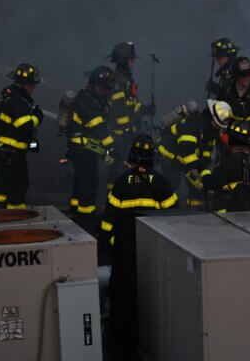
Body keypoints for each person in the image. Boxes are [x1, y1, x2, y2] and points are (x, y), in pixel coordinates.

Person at [100, 134, 177, 361]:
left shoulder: (121, 183)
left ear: (132, 156)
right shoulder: (162, 183)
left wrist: (110, 249)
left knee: (122, 302)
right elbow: (176, 219)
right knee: (155, 300)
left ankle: (119, 349)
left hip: (124, 256)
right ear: (152, 157)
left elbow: (107, 223)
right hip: (155, 255)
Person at [0, 63, 44, 209]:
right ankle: (15, 214)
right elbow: (25, 126)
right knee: (18, 184)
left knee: (3, 182)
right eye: (32, 85)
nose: (33, 89)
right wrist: (38, 116)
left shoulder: (8, 93)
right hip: (13, 151)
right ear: (26, 84)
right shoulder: (18, 101)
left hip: (4, 150)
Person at [106, 42, 155, 190]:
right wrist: (127, 131)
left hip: (127, 134)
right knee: (118, 171)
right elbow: (118, 112)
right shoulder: (117, 81)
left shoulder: (127, 80)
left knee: (126, 171)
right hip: (119, 136)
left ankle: (120, 199)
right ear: (125, 61)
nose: (134, 62)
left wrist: (146, 109)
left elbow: (131, 105)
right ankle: (113, 201)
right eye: (132, 59)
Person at [67, 65, 116, 216]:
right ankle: (85, 216)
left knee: (80, 182)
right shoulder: (88, 101)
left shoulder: (94, 98)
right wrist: (112, 147)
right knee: (89, 183)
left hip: (84, 147)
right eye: (103, 88)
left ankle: (75, 209)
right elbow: (99, 127)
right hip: (82, 149)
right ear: (94, 84)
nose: (105, 92)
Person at [200, 119, 250, 213]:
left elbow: (212, 183)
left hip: (225, 215)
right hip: (244, 212)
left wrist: (204, 169)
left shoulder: (230, 161)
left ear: (231, 139)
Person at [216, 56, 250, 149]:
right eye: (242, 76)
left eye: (248, 75)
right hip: (229, 134)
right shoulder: (227, 89)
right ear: (236, 76)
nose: (246, 79)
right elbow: (216, 110)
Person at [156, 101, 202, 204]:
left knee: (182, 180)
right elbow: (185, 146)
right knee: (173, 182)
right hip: (168, 153)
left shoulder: (187, 121)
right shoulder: (185, 123)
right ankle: (165, 203)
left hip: (176, 153)